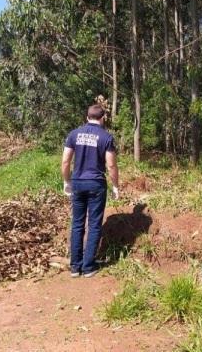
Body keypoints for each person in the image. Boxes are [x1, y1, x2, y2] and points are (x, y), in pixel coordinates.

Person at [61, 104, 119, 278]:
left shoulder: (74, 134)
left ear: (87, 117)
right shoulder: (106, 137)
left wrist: (66, 181)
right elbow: (111, 165)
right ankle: (88, 267)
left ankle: (75, 267)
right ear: (102, 118)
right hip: (96, 183)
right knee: (94, 225)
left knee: (77, 223)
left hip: (78, 183)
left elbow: (65, 161)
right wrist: (115, 185)